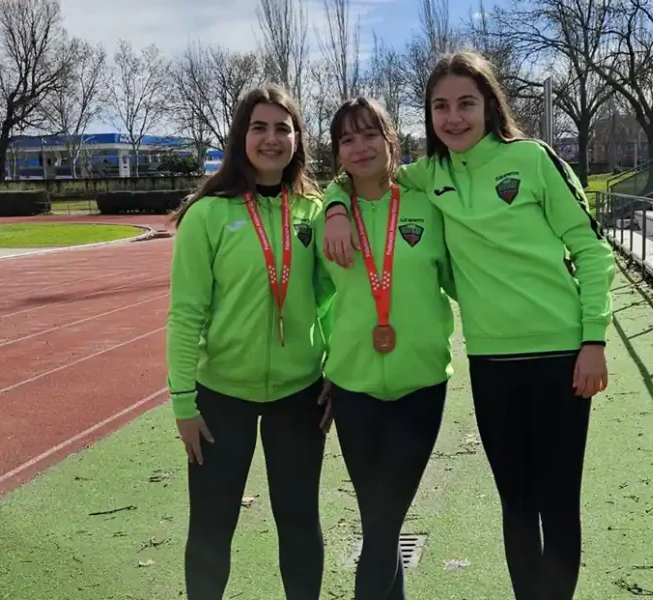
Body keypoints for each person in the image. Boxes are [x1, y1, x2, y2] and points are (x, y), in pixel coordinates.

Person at [323, 52, 615, 600]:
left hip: (560, 356)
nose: (453, 118)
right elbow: (359, 174)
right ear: (428, 116)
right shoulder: (430, 176)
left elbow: (593, 251)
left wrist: (593, 339)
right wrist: (337, 208)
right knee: (516, 503)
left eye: (465, 104)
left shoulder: (533, 160)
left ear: (489, 106)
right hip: (490, 364)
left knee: (557, 501)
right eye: (440, 107)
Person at [166, 84, 334, 600]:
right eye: (259, 127)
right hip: (221, 397)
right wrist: (183, 403)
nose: (271, 138)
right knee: (213, 528)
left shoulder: (316, 210)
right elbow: (185, 314)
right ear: (241, 137)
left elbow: (333, 299)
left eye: (282, 127)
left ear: (297, 138)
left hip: (299, 394)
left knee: (301, 524)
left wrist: (335, 368)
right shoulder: (209, 213)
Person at [317, 97, 456, 600]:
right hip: (353, 389)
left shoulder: (426, 202)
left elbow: (464, 276)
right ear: (337, 153)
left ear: (390, 139)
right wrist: (335, 205)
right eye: (347, 139)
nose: (360, 147)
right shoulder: (324, 216)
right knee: (379, 519)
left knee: (383, 519)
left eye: (369, 134)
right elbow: (306, 296)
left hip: (420, 385)